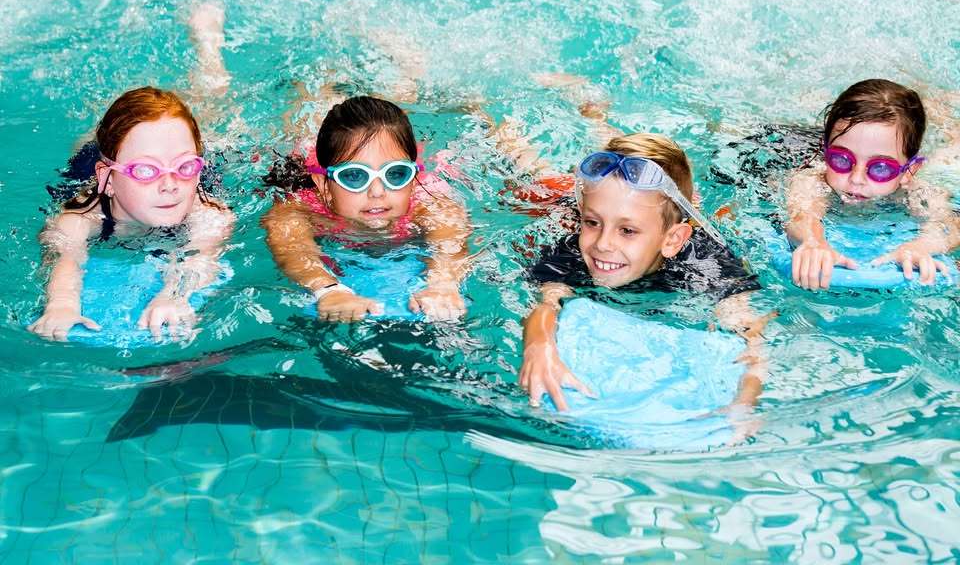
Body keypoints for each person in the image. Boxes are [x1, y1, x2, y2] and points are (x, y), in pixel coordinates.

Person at [516, 132, 770, 419]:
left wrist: (745, 403)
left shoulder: (708, 263)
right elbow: (546, 305)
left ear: (673, 240)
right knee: (528, 173)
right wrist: (539, 347)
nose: (602, 244)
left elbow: (750, 337)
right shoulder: (570, 249)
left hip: (677, 222)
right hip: (557, 203)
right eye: (592, 223)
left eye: (627, 231)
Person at [28, 86, 234, 341]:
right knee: (89, 146)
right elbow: (65, 258)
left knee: (212, 102)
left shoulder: (211, 213)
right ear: (109, 179)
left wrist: (174, 296)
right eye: (146, 171)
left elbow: (201, 258)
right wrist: (61, 306)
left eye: (185, 166)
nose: (170, 184)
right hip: (94, 168)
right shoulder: (80, 217)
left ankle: (210, 64)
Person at [262, 95, 471, 322]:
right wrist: (328, 289)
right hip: (315, 155)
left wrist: (442, 283)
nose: (377, 191)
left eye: (396, 174)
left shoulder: (428, 203)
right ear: (324, 186)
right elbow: (291, 246)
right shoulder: (303, 207)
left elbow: (450, 243)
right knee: (305, 118)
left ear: (413, 179)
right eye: (354, 176)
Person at [786, 79, 960, 290]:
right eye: (841, 160)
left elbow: (946, 226)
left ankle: (941, 105)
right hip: (797, 143)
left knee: (950, 155)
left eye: (880, 168)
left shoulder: (920, 193)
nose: (856, 179)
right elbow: (802, 215)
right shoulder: (812, 180)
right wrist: (813, 241)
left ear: (909, 171)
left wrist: (919, 247)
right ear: (825, 153)